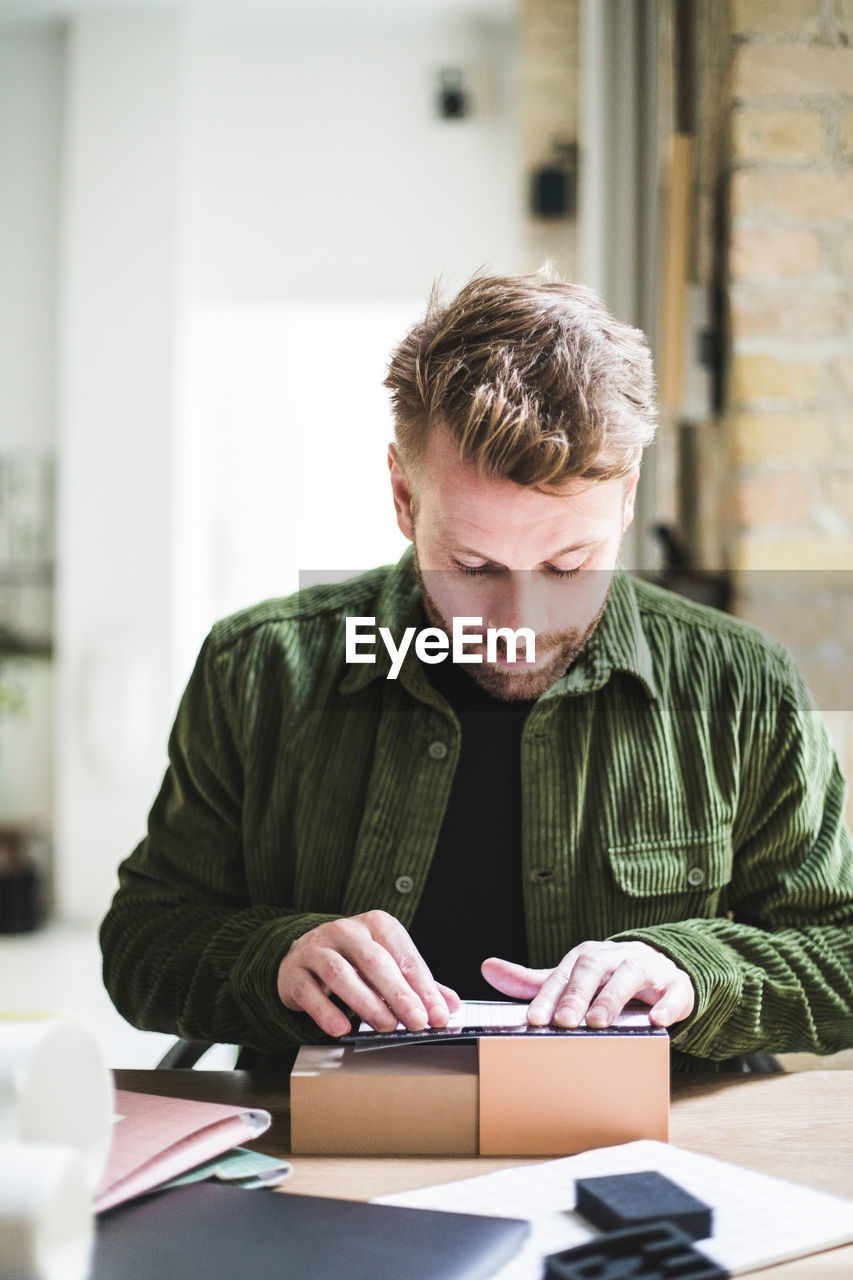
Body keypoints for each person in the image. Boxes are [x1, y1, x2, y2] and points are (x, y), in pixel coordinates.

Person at [100, 272, 853, 1073]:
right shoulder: (257, 670)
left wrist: (697, 975)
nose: (517, 625)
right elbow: (142, 943)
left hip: (651, 1155)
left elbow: (839, 957)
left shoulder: (743, 686)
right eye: (472, 564)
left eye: (569, 564)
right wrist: (273, 957)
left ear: (626, 498)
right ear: (402, 495)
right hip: (335, 1152)